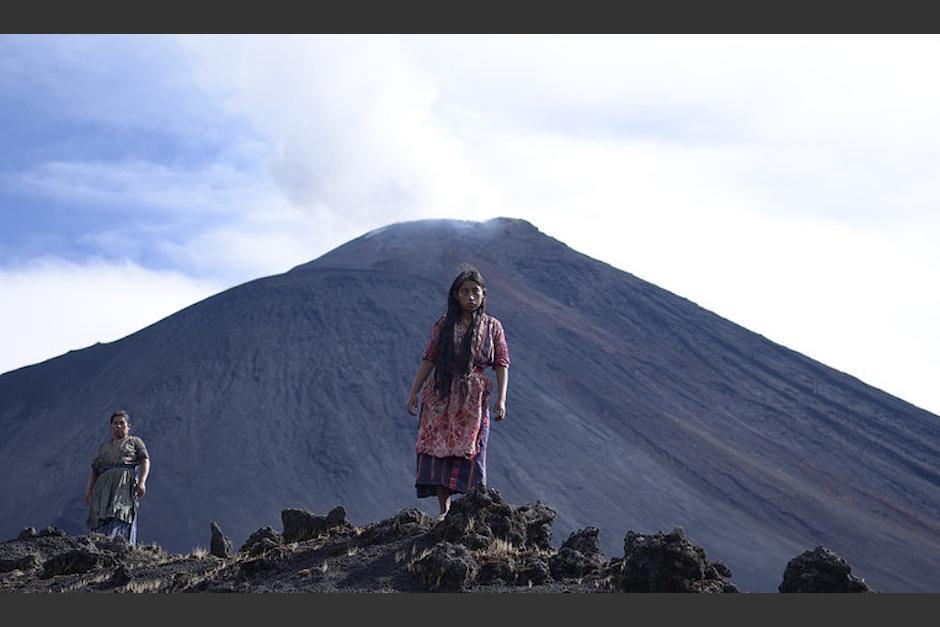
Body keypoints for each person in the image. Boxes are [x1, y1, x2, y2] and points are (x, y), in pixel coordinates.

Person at [407, 267, 510, 521]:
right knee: (438, 449)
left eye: (476, 291)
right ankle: (444, 511)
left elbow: (502, 363)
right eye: (465, 292)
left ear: (483, 294)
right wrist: (414, 392)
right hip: (441, 394)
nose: (471, 297)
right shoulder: (444, 325)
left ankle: (475, 510)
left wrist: (501, 400)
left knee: (475, 447)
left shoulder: (492, 326)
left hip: (474, 398)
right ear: (456, 296)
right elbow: (430, 358)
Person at [85, 410, 150, 544]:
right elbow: (95, 469)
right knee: (101, 514)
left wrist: (142, 482)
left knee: (120, 511)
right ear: (111, 426)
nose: (118, 426)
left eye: (122, 423)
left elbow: (145, 460)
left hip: (124, 485)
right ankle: (100, 545)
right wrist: (89, 491)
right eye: (115, 423)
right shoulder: (104, 447)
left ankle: (119, 544)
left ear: (128, 426)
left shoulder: (135, 442)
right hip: (103, 488)